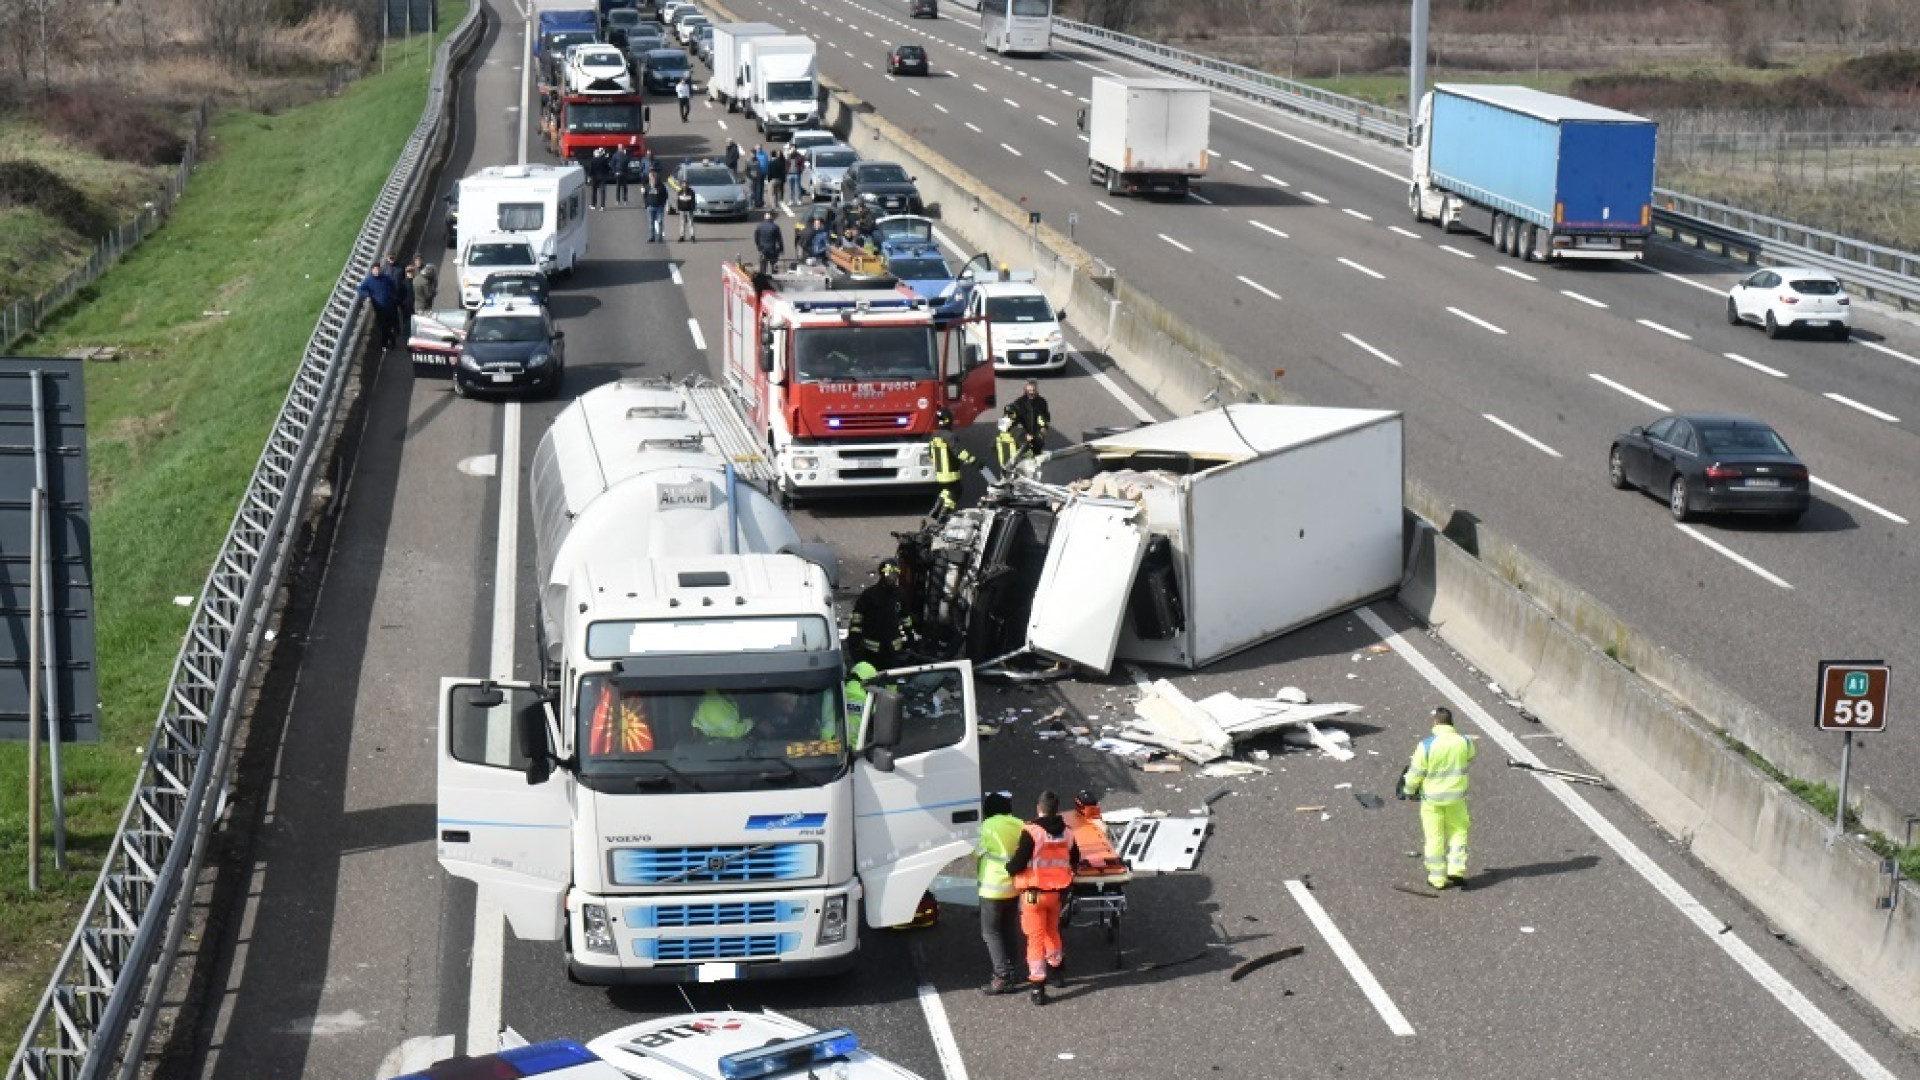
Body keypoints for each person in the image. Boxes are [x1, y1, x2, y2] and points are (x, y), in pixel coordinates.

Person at [1005, 790, 1077, 1005]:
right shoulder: (1068, 833)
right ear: (1057, 809)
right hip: (1056, 893)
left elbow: (1018, 863)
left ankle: (1038, 986)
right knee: (1052, 932)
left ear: (1039, 808)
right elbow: (1075, 858)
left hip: (1033, 895)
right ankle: (1057, 972)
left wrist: (1009, 868)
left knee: (1035, 939)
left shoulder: (1032, 832)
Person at [1402, 706, 1476, 890]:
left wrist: (1409, 791)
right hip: (1456, 798)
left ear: (1436, 721)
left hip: (1432, 800)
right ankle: (1456, 869)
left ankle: (1437, 878)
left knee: (1434, 837)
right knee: (1458, 831)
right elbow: (1470, 756)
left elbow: (1415, 773)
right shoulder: (1465, 742)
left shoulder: (1426, 745)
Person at [976, 791, 1026, 996]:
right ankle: (1013, 969)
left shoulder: (986, 826)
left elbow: (976, 851)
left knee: (990, 932)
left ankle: (1002, 976)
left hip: (992, 888)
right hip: (1013, 886)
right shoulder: (1020, 824)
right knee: (1009, 928)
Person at [847, 558, 912, 670]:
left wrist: (910, 635)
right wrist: (854, 639)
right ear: (882, 574)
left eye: (894, 573)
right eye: (888, 573)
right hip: (871, 652)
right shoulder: (869, 595)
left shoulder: (900, 595)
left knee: (892, 677)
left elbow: (905, 618)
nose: (891, 577)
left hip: (893, 651)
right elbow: (857, 619)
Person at [929, 407, 978, 519]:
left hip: (940, 472)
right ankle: (945, 513)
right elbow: (958, 452)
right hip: (951, 472)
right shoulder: (950, 436)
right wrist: (972, 460)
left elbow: (930, 454)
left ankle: (937, 507)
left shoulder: (933, 436)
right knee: (956, 491)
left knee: (947, 489)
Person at [355, 264, 398, 349]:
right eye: (375, 270)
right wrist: (367, 295)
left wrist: (393, 295)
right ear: (372, 270)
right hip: (379, 308)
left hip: (389, 306)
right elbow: (360, 289)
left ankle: (389, 342)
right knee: (383, 327)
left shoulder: (385, 278)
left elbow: (393, 285)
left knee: (389, 325)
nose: (377, 271)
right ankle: (386, 343)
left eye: (378, 269)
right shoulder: (369, 280)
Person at [1007, 380, 1051, 458]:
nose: (1032, 393)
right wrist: (1024, 435)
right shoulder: (1018, 404)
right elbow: (1010, 425)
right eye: (1029, 391)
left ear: (1037, 390)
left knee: (1036, 456)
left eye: (1034, 390)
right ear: (1025, 390)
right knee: (1025, 458)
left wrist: (1044, 427)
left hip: (1037, 438)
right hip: (1022, 440)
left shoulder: (1042, 402)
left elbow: (1045, 416)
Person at [842, 660, 877, 745]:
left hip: (831, 744)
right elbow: (878, 716)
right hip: (857, 746)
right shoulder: (866, 697)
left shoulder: (839, 690)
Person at [643, 170, 669, 242]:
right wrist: (646, 204)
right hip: (650, 207)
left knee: (660, 222)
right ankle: (652, 237)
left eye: (653, 178)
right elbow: (645, 195)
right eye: (651, 178)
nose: (652, 180)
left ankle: (660, 237)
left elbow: (665, 195)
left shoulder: (661, 186)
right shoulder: (647, 186)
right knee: (651, 222)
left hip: (659, 207)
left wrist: (663, 204)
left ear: (656, 178)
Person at [675, 170, 697, 241]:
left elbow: (693, 201)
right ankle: (682, 236)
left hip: (689, 210)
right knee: (682, 223)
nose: (684, 185)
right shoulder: (679, 192)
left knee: (691, 223)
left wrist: (693, 208)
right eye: (683, 184)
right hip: (682, 210)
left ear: (688, 185)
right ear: (681, 185)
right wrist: (678, 208)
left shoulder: (691, 192)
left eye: (686, 184)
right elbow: (678, 201)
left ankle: (692, 236)